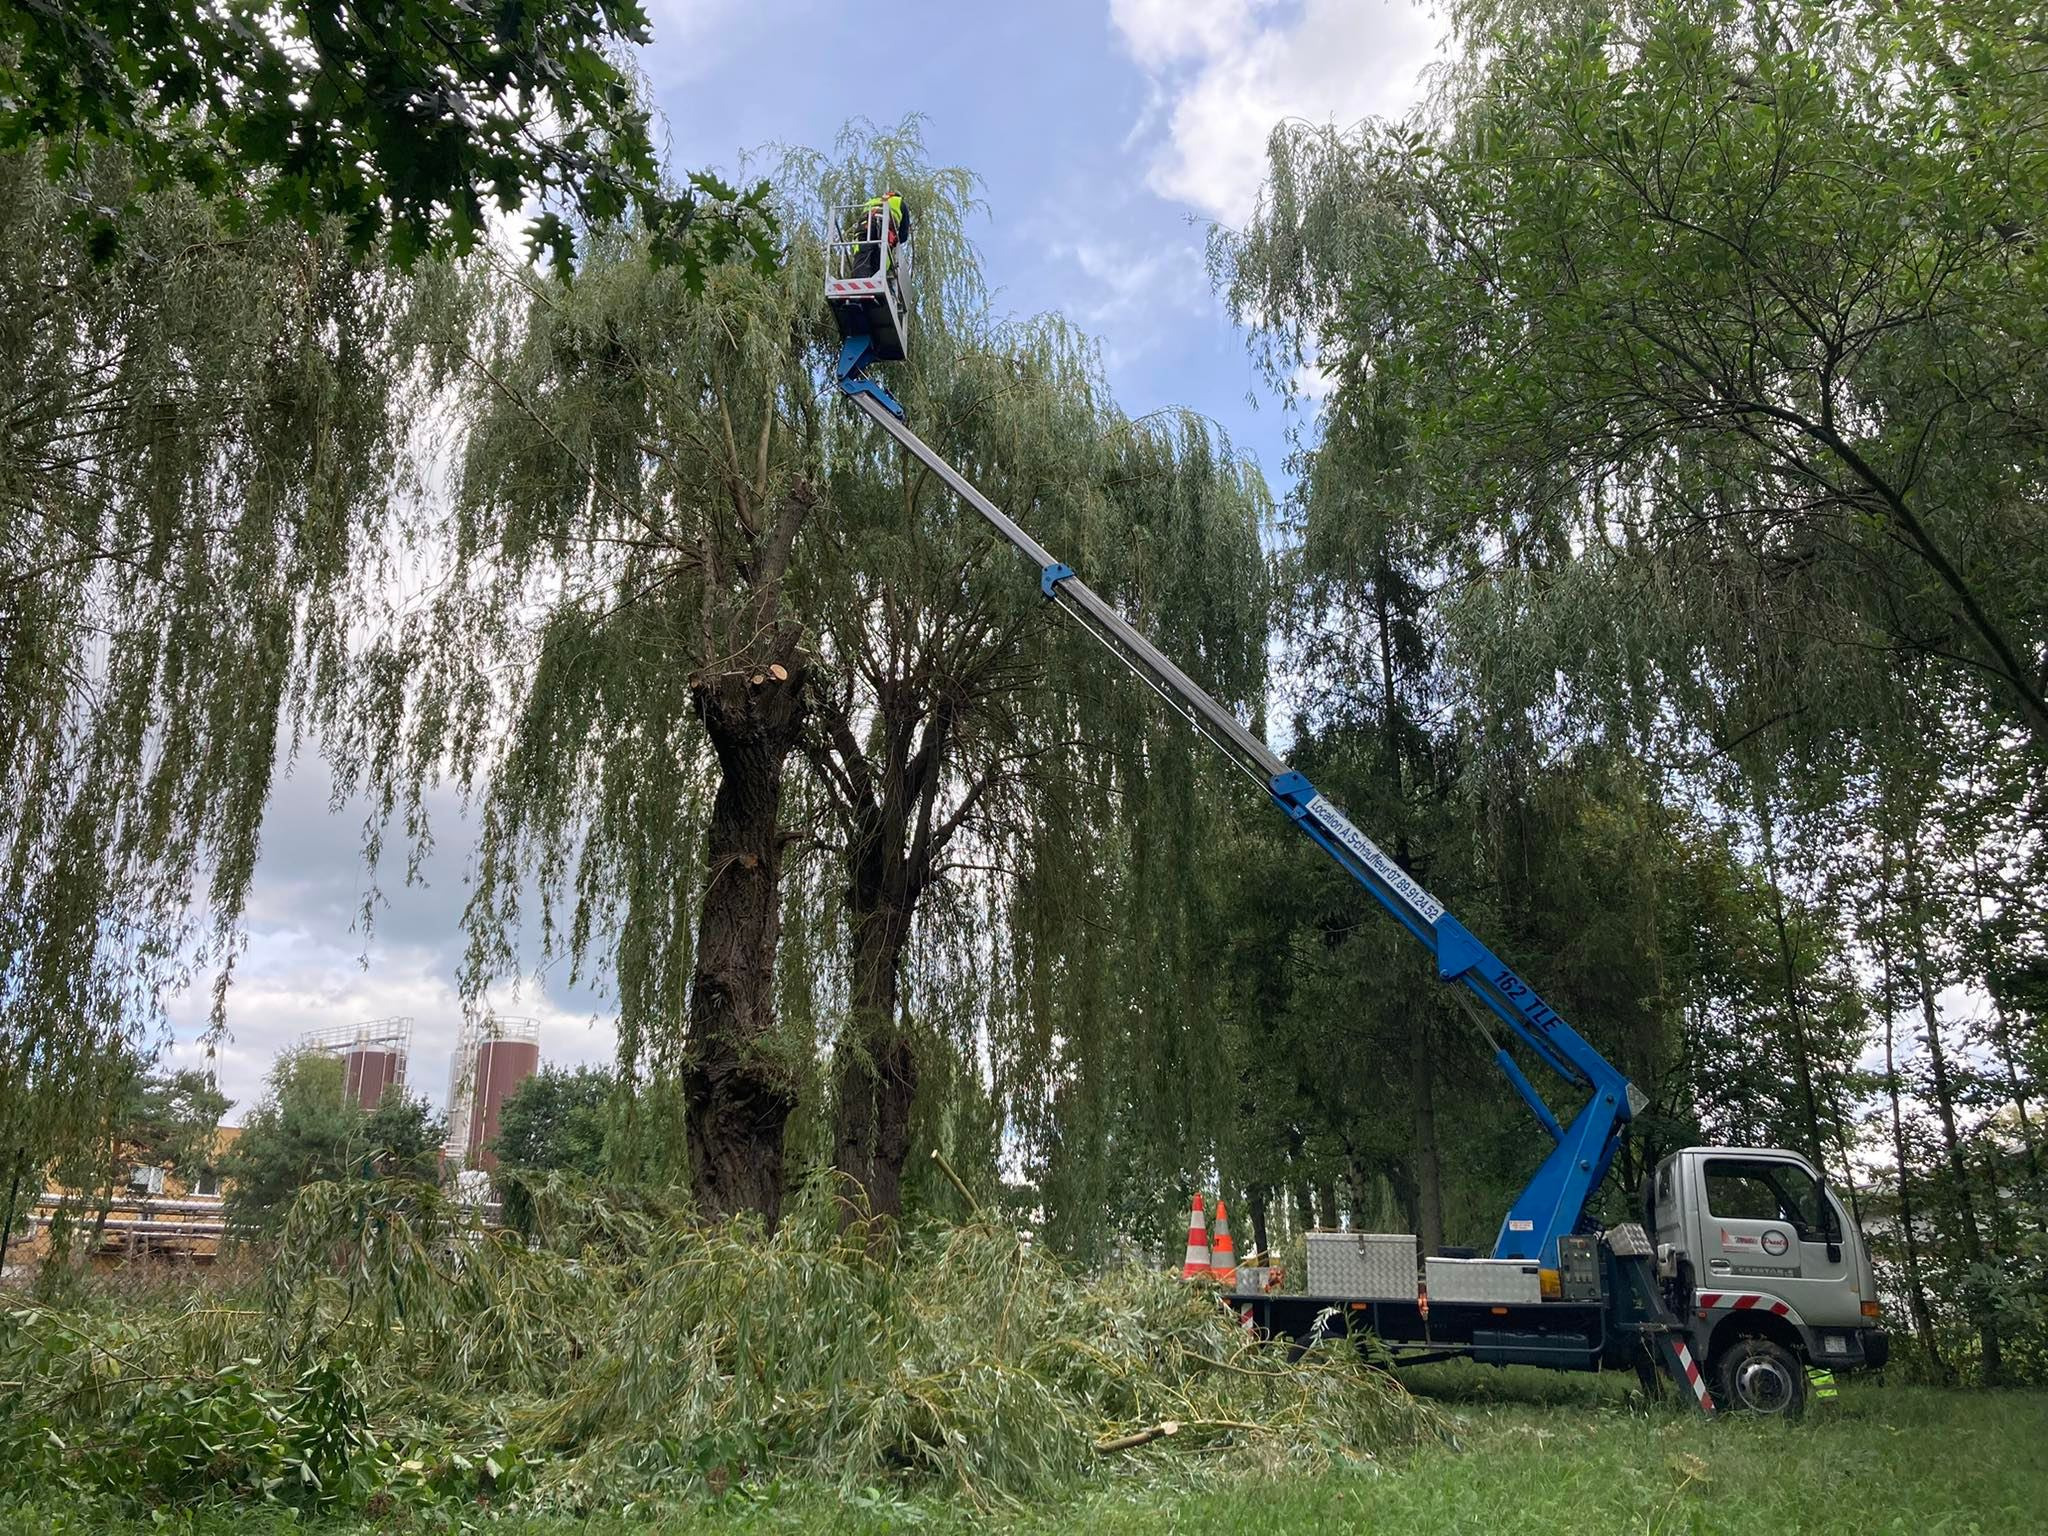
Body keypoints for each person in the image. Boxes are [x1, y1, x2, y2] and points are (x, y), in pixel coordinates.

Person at [850, 191, 909, 279]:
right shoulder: (899, 202)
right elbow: (903, 234)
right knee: (881, 258)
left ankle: (860, 279)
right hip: (883, 229)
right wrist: (896, 240)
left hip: (864, 227)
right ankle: (877, 279)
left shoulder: (872, 201)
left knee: (862, 254)